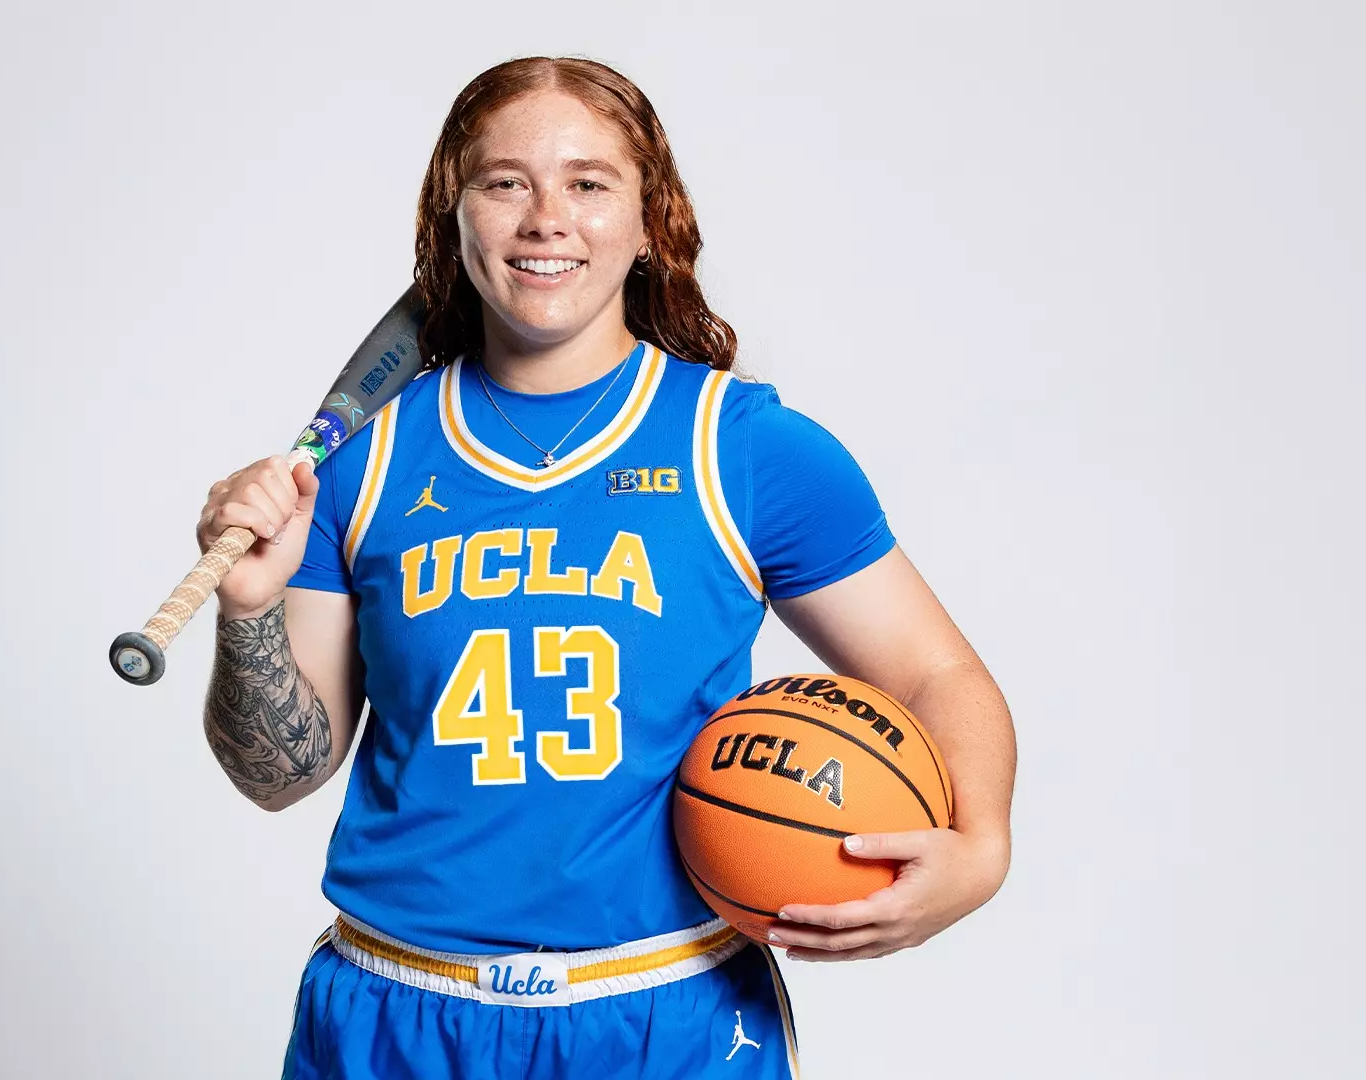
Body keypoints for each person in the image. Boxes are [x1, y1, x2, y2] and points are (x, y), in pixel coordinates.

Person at [195, 56, 1016, 1080]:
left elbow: (936, 673)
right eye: (505, 182)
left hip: (665, 1014)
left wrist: (981, 851)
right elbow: (279, 776)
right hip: (395, 1010)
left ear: (648, 220)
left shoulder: (743, 448)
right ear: (454, 216)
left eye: (588, 183)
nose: (547, 219)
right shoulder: (359, 462)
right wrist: (247, 607)